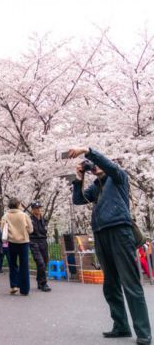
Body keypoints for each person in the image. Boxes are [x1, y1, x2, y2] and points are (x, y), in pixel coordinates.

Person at [70, 147, 151, 344]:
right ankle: (121, 326)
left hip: (120, 231)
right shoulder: (97, 186)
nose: (95, 168)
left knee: (130, 283)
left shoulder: (118, 177)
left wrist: (88, 151)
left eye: (99, 164)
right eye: (93, 166)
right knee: (110, 284)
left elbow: (109, 165)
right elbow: (78, 199)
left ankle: (143, 333)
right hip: (100, 233)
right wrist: (79, 178)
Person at [0, 198, 33, 296]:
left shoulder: (5, 216)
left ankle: (14, 286)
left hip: (11, 243)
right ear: (18, 205)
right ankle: (24, 289)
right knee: (24, 265)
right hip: (23, 243)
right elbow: (31, 230)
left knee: (13, 265)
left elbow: (2, 230)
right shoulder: (24, 215)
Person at [29, 201, 51, 292]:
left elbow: (45, 231)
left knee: (44, 262)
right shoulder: (30, 220)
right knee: (40, 262)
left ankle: (39, 281)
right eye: (36, 208)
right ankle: (44, 283)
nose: (38, 210)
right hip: (34, 242)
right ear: (33, 210)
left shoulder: (44, 220)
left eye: (39, 208)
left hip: (43, 242)